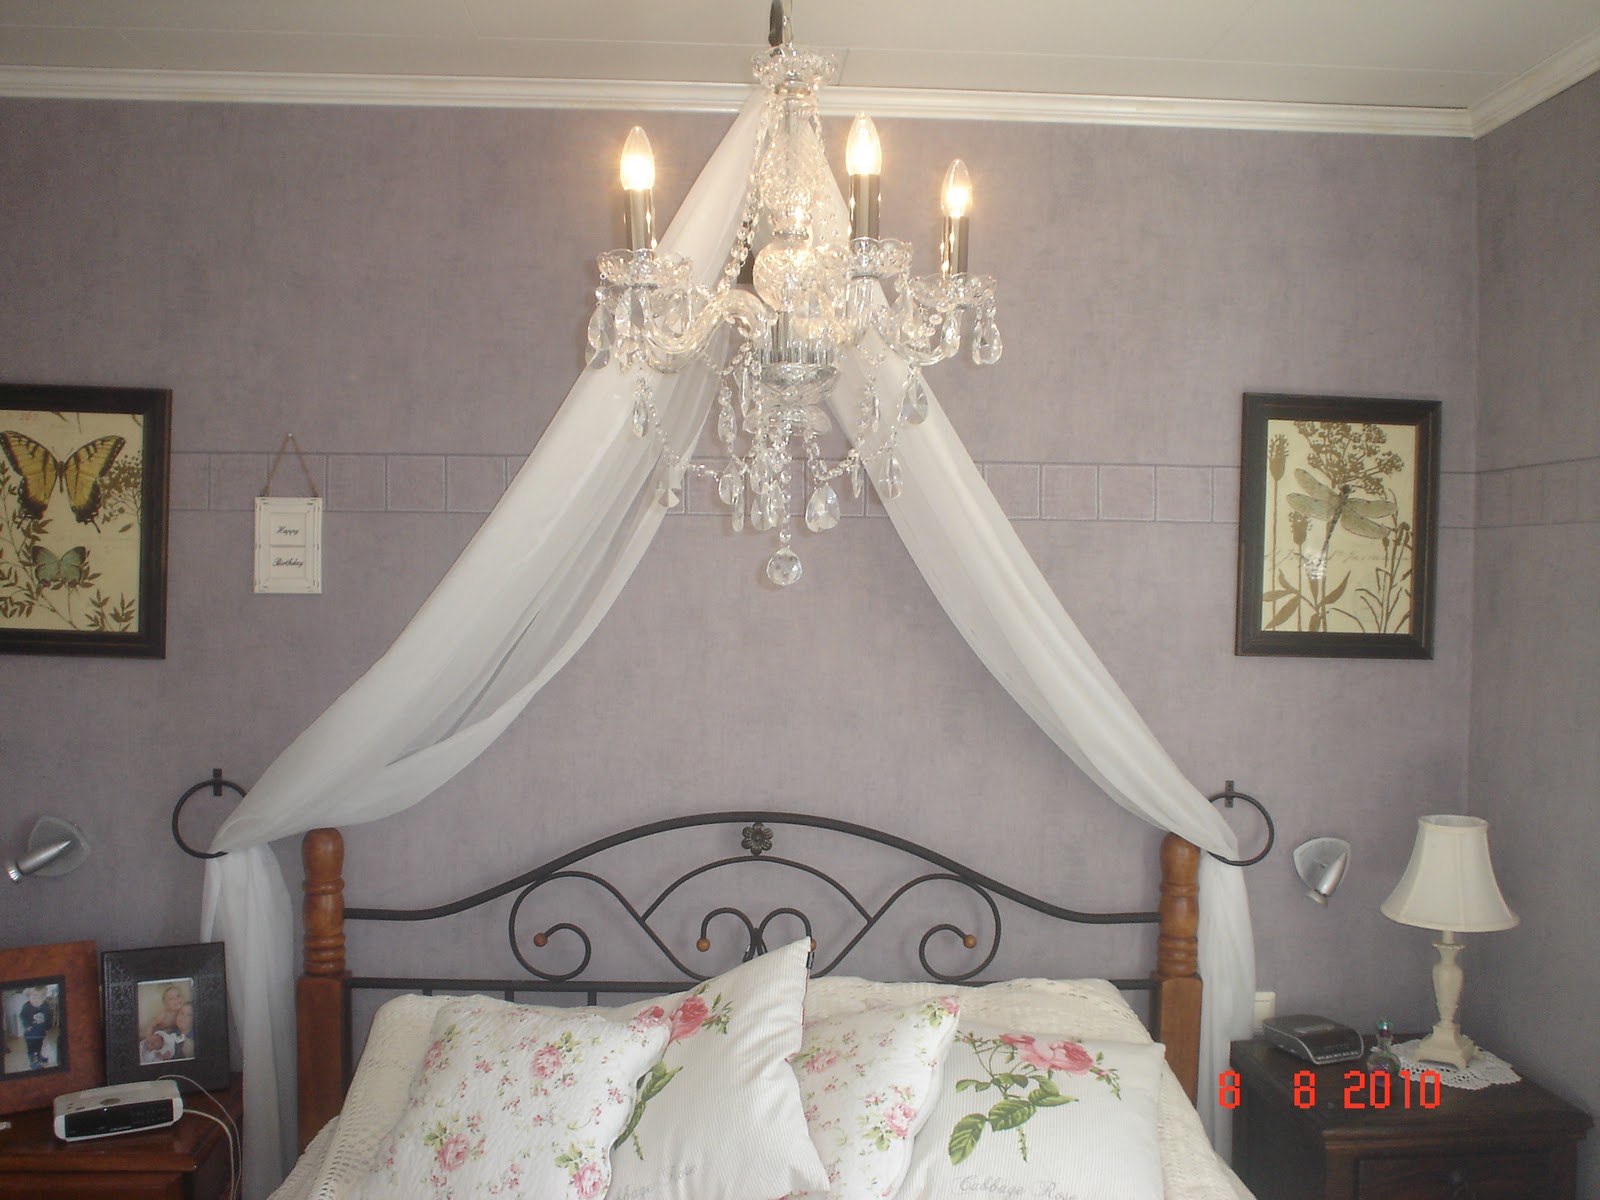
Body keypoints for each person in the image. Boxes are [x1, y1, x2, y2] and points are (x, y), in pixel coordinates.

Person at [19, 986, 54, 1070]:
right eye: (34, 997)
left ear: (44, 997)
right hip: (30, 1034)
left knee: (39, 1046)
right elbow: (22, 1016)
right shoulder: (26, 1006)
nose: (37, 1000)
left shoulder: (45, 1005)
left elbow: (49, 1016)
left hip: (41, 1033)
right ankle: (33, 1063)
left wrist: (48, 1027)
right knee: (32, 1049)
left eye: (40, 997)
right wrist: (27, 1025)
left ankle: (39, 1056)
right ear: (29, 997)